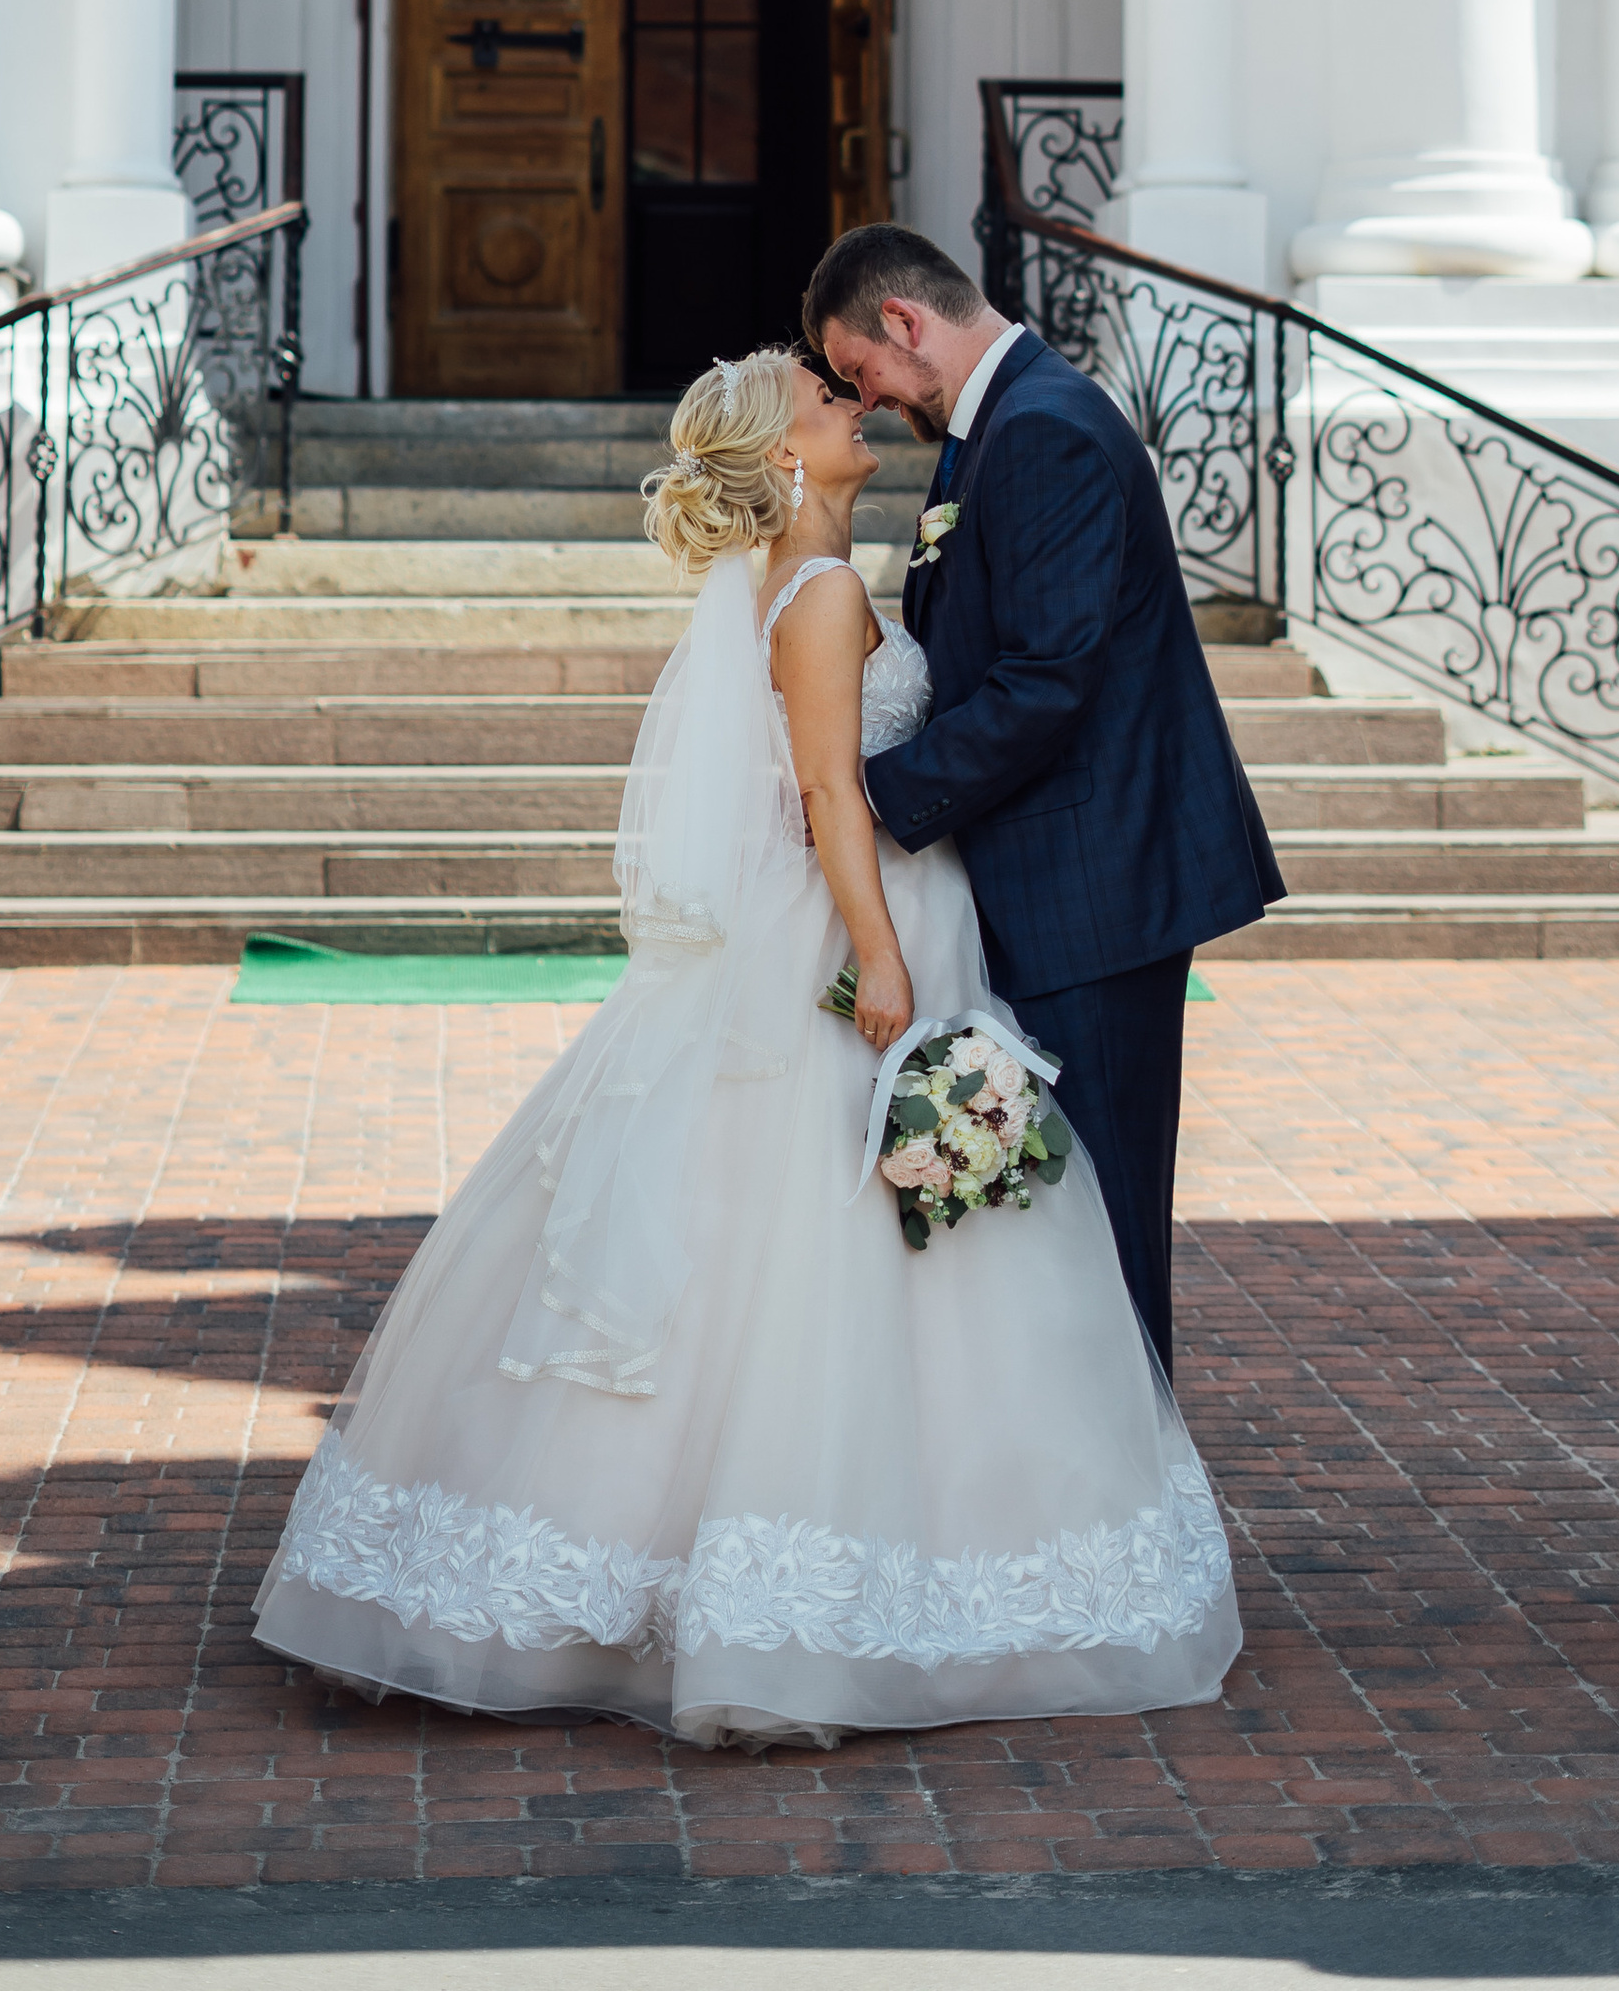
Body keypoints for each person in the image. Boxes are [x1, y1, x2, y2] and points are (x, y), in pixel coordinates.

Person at [252, 345, 1240, 1748]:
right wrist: (885, 960)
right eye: (824, 399)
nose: (852, 406)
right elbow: (836, 794)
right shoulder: (825, 593)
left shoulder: (824, 581)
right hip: (855, 935)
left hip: (859, 919)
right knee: (819, 1233)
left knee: (790, 1236)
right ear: (784, 457)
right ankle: (786, 1583)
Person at [802, 226, 1286, 1377]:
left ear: (905, 326)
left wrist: (869, 793)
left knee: (1103, 1221)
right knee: (1053, 1225)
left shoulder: (1044, 433)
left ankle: (1133, 1500)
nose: (863, 399)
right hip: (1056, 880)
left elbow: (1043, 684)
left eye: (860, 369)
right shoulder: (997, 429)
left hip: (1096, 890)